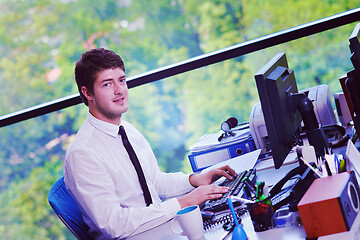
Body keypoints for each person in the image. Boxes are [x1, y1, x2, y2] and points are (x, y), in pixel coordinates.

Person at [64, 48, 236, 239]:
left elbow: (154, 182)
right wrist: (184, 202)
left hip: (161, 227)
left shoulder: (127, 130)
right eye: (107, 84)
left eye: (121, 80)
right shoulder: (83, 154)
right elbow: (115, 225)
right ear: (87, 93)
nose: (119, 90)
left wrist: (194, 180)